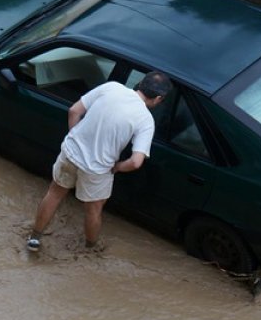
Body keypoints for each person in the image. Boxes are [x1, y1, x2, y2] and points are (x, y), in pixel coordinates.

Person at [26, 71, 172, 252]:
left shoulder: (111, 87)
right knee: (93, 209)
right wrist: (117, 167)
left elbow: (74, 111)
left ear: (140, 83)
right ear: (159, 98)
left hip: (70, 153)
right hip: (98, 169)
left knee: (54, 193)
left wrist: (74, 137)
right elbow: (135, 162)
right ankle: (90, 249)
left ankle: (34, 238)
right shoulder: (146, 120)